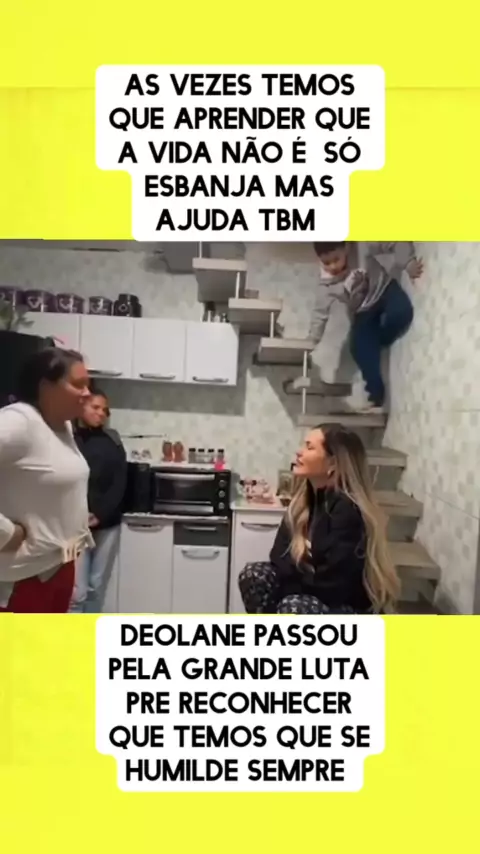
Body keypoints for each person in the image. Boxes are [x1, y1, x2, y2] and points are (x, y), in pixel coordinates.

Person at [238, 424, 400, 614]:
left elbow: (334, 585)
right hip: (306, 593)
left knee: (293, 607)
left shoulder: (348, 510)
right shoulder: (302, 503)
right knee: (254, 575)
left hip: (345, 605)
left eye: (309, 447)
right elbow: (278, 557)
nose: (299, 452)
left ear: (333, 463)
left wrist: (288, 592)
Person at [0, 347, 93, 612]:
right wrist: (5, 532)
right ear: (46, 386)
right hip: (23, 577)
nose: (87, 392)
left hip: (57, 567)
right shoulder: (19, 422)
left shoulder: (62, 424)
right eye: (78, 384)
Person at [310, 241, 423, 413]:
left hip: (384, 289)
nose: (332, 266)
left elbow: (393, 240)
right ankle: (376, 396)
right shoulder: (325, 286)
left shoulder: (361, 246)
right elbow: (319, 314)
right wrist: (312, 340)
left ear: (346, 247)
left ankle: (378, 341)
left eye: (336, 259)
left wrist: (407, 262)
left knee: (402, 312)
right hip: (362, 311)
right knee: (357, 348)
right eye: (326, 262)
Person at [69, 388, 127, 613]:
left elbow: (120, 481)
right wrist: (81, 513)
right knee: (77, 591)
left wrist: (100, 514)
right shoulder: (67, 438)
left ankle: (90, 633)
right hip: (75, 524)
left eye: (105, 410)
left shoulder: (113, 440)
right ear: (81, 406)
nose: (101, 413)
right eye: (95, 407)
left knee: (96, 586)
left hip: (108, 523)